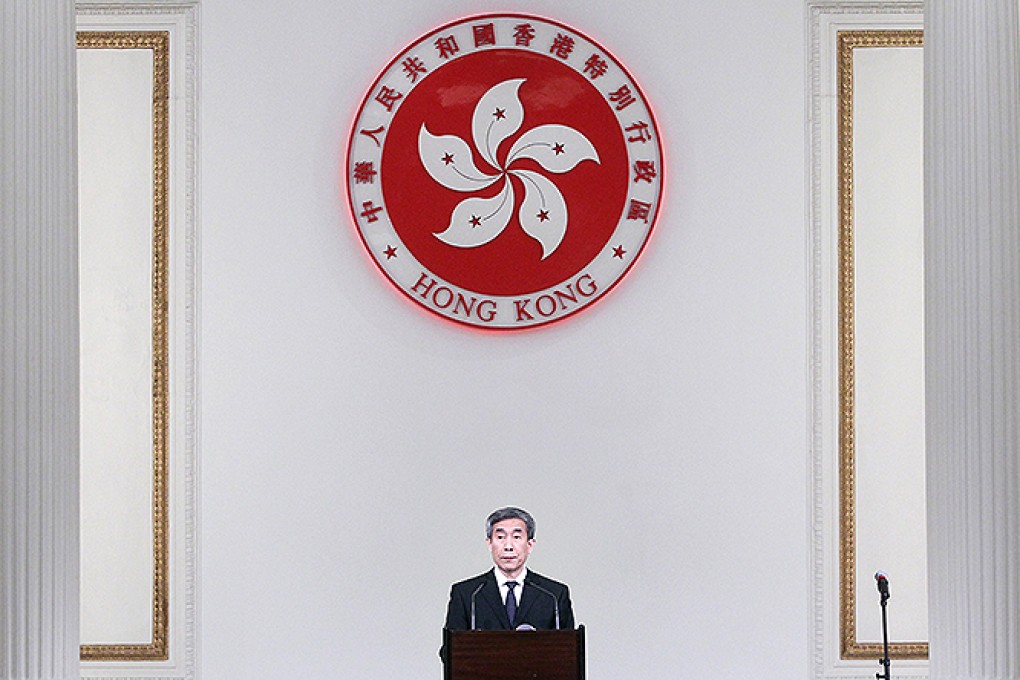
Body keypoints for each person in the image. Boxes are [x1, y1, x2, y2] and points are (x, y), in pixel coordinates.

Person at [442, 506, 575, 651]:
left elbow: (569, 652)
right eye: (500, 537)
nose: (508, 546)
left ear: (530, 544)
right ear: (489, 543)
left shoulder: (553, 594)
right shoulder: (468, 594)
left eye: (517, 537)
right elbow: (449, 652)